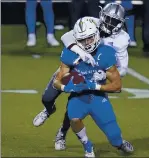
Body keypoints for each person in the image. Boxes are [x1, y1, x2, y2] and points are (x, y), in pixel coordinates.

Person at [32, 2, 130, 150]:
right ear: (101, 15)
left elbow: (122, 69)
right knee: (47, 97)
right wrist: (81, 52)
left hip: (93, 75)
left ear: (121, 23)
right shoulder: (91, 23)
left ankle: (62, 133)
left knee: (75, 105)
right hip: (74, 66)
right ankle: (48, 109)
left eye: (114, 21)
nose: (109, 23)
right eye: (107, 18)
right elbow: (66, 37)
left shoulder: (122, 39)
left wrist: (101, 73)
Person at [52, 18, 134, 157]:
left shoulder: (106, 53)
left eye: (89, 38)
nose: (87, 43)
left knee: (114, 138)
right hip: (78, 97)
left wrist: (94, 85)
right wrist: (67, 88)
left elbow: (117, 86)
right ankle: (88, 147)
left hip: (98, 98)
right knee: (74, 118)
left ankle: (120, 143)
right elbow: (57, 81)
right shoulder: (70, 53)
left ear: (96, 35)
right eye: (83, 40)